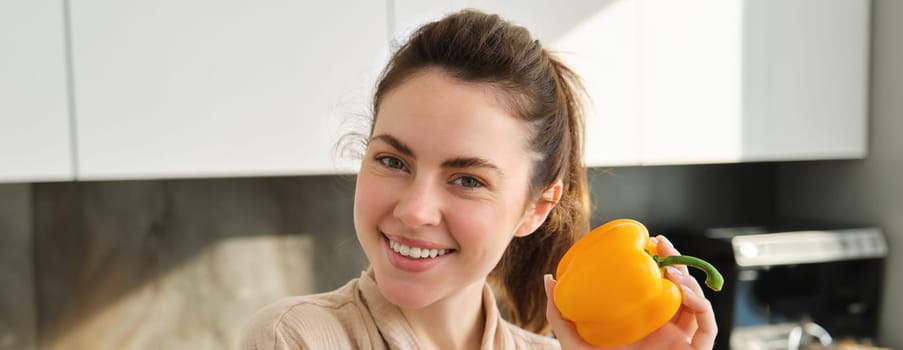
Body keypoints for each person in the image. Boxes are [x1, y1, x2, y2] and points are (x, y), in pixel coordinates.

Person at [240, 9, 716, 349]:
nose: (414, 210)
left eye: (467, 179)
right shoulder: (294, 338)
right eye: (393, 161)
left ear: (535, 209)